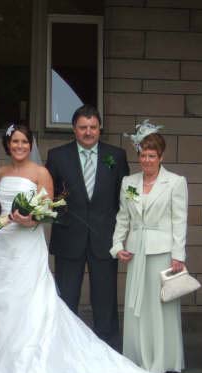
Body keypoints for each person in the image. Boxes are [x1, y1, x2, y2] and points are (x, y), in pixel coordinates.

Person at [0, 123, 183, 373]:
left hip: (31, 245)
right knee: (0, 301)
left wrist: (29, 219)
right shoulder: (1, 173)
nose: (19, 146)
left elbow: (48, 209)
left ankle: (35, 356)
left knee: (42, 300)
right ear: (7, 145)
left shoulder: (46, 171)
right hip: (2, 246)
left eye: (24, 142)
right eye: (15, 142)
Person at [46, 105, 129, 348]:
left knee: (105, 299)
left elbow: (125, 198)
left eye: (93, 127)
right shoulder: (57, 156)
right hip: (68, 237)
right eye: (83, 127)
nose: (88, 132)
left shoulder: (117, 155)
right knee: (67, 297)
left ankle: (108, 348)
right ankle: (65, 347)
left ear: (100, 128)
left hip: (105, 237)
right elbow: (49, 197)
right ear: (74, 129)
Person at [111, 120, 187, 373]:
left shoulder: (175, 182)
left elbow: (179, 220)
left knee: (160, 306)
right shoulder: (129, 183)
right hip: (136, 251)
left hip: (162, 252)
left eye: (152, 156)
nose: (146, 160)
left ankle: (163, 360)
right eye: (143, 155)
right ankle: (137, 357)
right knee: (138, 306)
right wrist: (117, 245)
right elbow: (123, 217)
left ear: (161, 157)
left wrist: (178, 255)